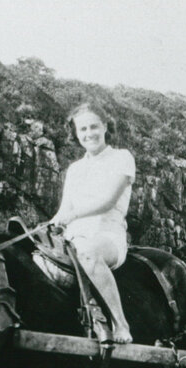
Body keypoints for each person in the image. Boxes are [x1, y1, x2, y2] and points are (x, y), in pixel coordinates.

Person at [49, 102, 135, 343]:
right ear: (76, 134)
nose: (89, 134)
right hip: (73, 238)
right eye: (82, 129)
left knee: (88, 253)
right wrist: (56, 221)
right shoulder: (74, 169)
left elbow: (108, 202)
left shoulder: (122, 158)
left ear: (105, 126)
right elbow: (64, 209)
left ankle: (121, 324)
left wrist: (73, 215)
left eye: (93, 127)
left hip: (107, 236)